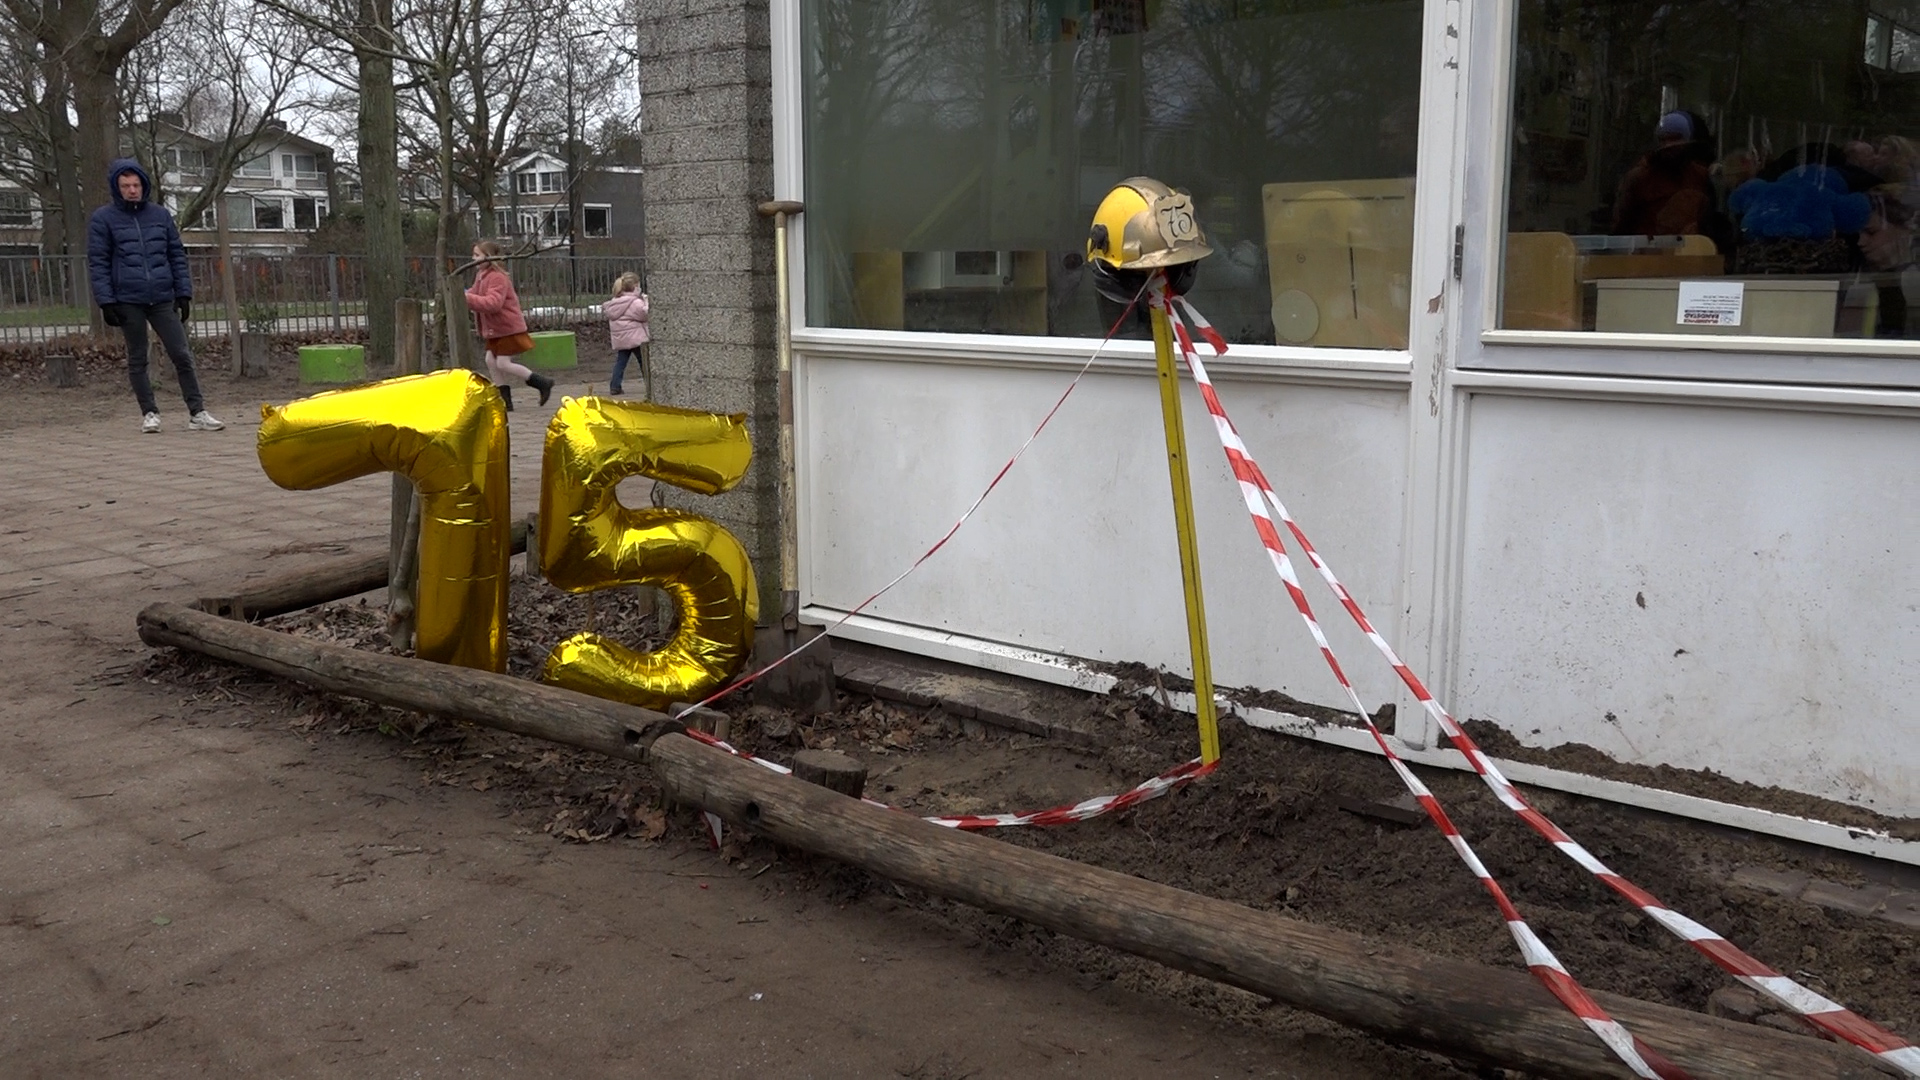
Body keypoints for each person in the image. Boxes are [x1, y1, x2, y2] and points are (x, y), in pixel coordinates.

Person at [88, 157, 223, 434]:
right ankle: (149, 413)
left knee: (181, 354)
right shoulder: (103, 219)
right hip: (128, 298)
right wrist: (107, 301)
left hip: (161, 296)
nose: (132, 190)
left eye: (136, 184)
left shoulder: (160, 215)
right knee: (138, 357)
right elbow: (99, 261)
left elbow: (176, 254)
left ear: (144, 185)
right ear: (117, 187)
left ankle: (197, 412)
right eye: (125, 185)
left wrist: (183, 292)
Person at [463, 240, 553, 411]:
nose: (473, 258)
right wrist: (464, 294)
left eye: (477, 255)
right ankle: (505, 400)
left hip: (506, 328)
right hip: (495, 330)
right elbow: (474, 293)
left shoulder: (498, 277)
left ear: (488, 258)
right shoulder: (481, 276)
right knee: (490, 360)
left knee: (503, 363)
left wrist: (467, 298)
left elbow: (493, 303)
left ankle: (542, 383)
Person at [1612, 110, 1721, 241]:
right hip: (1648, 255)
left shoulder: (1700, 176)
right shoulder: (1639, 178)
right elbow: (1621, 226)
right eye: (1664, 140)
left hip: (1690, 254)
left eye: (1676, 140)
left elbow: (1709, 220)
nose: (1669, 147)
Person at [602, 271, 649, 396]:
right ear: (635, 286)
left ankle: (615, 386)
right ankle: (650, 385)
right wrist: (646, 301)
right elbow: (644, 315)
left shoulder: (615, 302)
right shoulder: (635, 302)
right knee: (644, 361)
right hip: (636, 338)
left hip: (622, 338)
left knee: (621, 362)